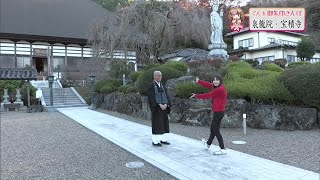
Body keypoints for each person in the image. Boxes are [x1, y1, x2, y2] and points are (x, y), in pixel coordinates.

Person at [190, 75, 227, 155]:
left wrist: (196, 95)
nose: (215, 81)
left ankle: (223, 148)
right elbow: (209, 85)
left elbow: (208, 95)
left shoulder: (219, 89)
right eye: (214, 80)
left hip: (219, 112)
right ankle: (208, 144)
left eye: (217, 80)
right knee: (213, 129)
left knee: (216, 130)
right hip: (218, 111)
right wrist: (199, 81)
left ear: (220, 81)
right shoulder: (217, 87)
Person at [147, 71, 171, 147]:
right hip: (157, 108)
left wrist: (166, 104)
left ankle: (163, 139)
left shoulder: (162, 85)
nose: (160, 77)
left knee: (164, 123)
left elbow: (166, 95)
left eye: (160, 76)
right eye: (158, 76)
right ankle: (155, 141)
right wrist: (159, 104)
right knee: (157, 124)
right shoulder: (151, 86)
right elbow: (151, 97)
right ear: (154, 77)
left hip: (164, 108)